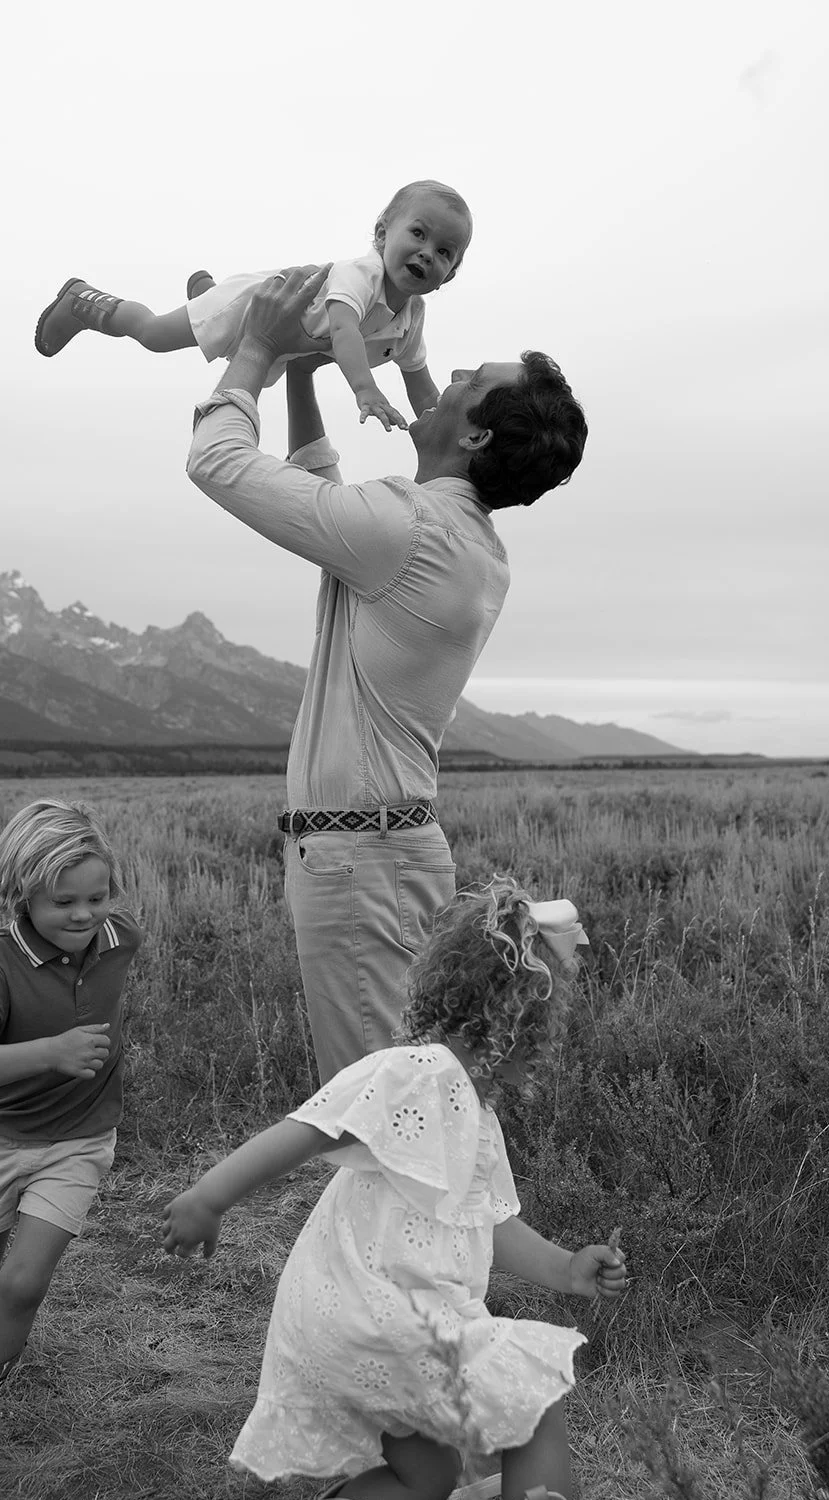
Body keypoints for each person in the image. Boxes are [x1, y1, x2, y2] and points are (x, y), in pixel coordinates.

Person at [183, 264, 588, 1086]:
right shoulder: (449, 539)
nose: (451, 374)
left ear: (474, 436)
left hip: (362, 861)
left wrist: (258, 345)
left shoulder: (409, 531)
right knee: (411, 1100)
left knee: (387, 1116)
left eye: (473, 380)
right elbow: (325, 495)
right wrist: (304, 371)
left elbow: (216, 460)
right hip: (374, 856)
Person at [163, 880, 626, 1500]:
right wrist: (207, 1198)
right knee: (535, 1404)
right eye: (544, 1026)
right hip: (383, 1311)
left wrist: (566, 1269)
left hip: (358, 1316)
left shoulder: (474, 1111)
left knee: (426, 1472)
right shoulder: (421, 1071)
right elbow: (311, 1126)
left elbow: (489, 1223)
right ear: (513, 1020)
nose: (546, 1046)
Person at [0, 798, 143, 1500]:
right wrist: (51, 1051)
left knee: (20, 1286)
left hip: (78, 1146)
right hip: (0, 1145)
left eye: (98, 897)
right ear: (22, 893)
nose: (84, 916)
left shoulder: (121, 941)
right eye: (62, 901)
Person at [34, 179, 473, 429]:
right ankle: (82, 301)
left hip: (284, 341)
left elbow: (420, 383)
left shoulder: (412, 319)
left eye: (444, 252)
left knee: (223, 336)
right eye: (418, 234)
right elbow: (343, 332)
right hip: (253, 305)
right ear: (381, 236)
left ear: (449, 276)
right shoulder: (361, 275)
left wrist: (444, 429)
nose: (427, 253)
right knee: (154, 335)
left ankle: (205, 293)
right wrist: (366, 390)